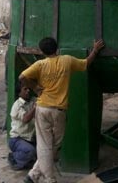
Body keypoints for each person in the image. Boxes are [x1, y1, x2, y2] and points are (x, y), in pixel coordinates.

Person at [20, 36, 105, 183]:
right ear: (57, 48)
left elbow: (22, 77)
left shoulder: (40, 64)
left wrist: (35, 87)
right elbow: (86, 63)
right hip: (59, 110)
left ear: (42, 51)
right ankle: (48, 179)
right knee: (54, 144)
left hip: (42, 108)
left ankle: (34, 175)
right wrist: (95, 50)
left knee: (46, 146)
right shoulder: (67, 60)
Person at [8, 84, 37, 170]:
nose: (28, 91)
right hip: (17, 139)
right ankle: (14, 157)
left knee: (42, 152)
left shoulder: (32, 100)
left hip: (30, 139)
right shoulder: (17, 105)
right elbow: (25, 119)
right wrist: (35, 108)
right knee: (30, 151)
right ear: (19, 93)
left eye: (28, 88)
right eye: (25, 89)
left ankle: (26, 159)